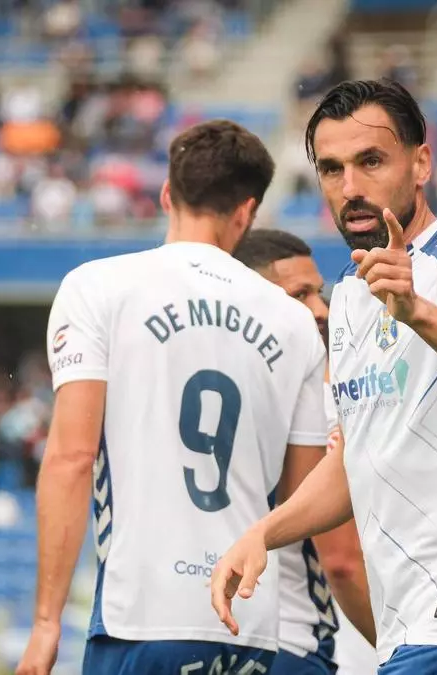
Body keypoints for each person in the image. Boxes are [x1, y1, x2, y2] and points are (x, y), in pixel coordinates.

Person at [211, 79, 437, 674]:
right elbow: (350, 463)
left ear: (421, 163)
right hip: (415, 630)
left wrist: (418, 311)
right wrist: (262, 534)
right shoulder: (349, 296)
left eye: (371, 161)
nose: (350, 187)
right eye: (332, 168)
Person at [16, 120, 330, 675]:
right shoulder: (295, 321)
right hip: (248, 622)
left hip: (142, 616)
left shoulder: (97, 287)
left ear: (167, 194)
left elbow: (72, 459)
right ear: (246, 212)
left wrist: (46, 623)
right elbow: (301, 497)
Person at [233, 228, 378, 675]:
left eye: (319, 293)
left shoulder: (217, 400)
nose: (321, 310)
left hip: (213, 633)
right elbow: (342, 561)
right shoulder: (322, 404)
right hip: (295, 640)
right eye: (300, 295)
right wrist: (400, 651)